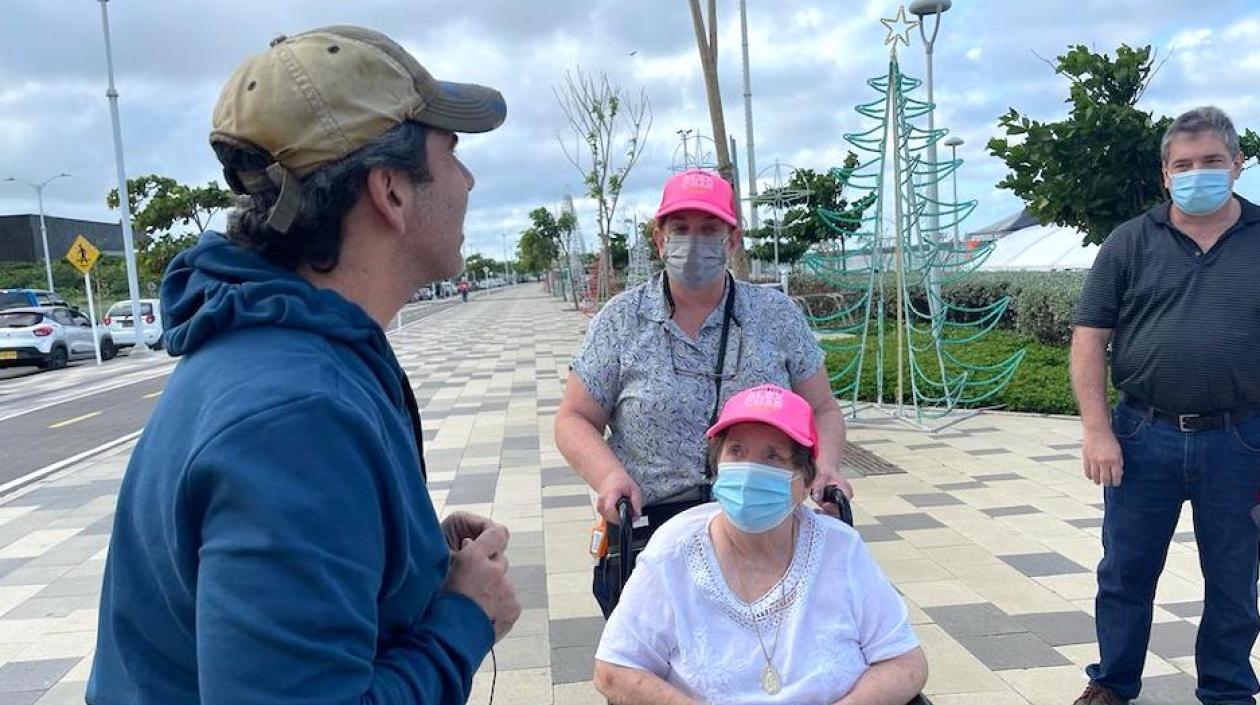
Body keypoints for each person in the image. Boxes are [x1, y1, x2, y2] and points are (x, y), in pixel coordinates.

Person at [88, 26, 520, 705]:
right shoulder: (295, 418)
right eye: (452, 151)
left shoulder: (283, 349)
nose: (467, 179)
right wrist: (465, 618)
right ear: (391, 191)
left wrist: (407, 563)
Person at [554, 168, 850, 617]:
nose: (695, 242)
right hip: (653, 532)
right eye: (681, 229)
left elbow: (823, 408)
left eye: (710, 229)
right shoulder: (620, 321)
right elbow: (574, 418)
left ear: (732, 240)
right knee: (653, 674)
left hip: (767, 527)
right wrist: (608, 476)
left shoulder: (774, 315)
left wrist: (824, 469)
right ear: (658, 239)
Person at [1069, 106, 1260, 705]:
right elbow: (1089, 337)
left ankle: (1228, 690)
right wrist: (1098, 431)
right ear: (1165, 174)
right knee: (1125, 573)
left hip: (1242, 439)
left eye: (1211, 162)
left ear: (1237, 164)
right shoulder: (1129, 242)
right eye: (1184, 164)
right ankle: (1112, 684)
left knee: (1234, 579)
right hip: (1141, 435)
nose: (1197, 173)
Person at [593, 384, 926, 704]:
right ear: (717, 465)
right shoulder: (674, 551)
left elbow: (906, 664)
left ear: (805, 480)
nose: (750, 471)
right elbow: (614, 669)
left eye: (773, 456)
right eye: (736, 451)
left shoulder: (841, 548)